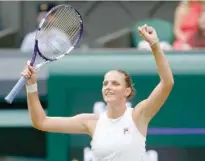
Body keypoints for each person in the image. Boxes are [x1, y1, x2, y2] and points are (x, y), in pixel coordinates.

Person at [22, 24, 174, 161]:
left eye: (115, 83)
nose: (108, 86)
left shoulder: (138, 115)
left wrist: (154, 45)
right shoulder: (91, 122)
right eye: (105, 83)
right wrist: (31, 86)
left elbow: (167, 83)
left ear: (127, 91)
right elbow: (41, 122)